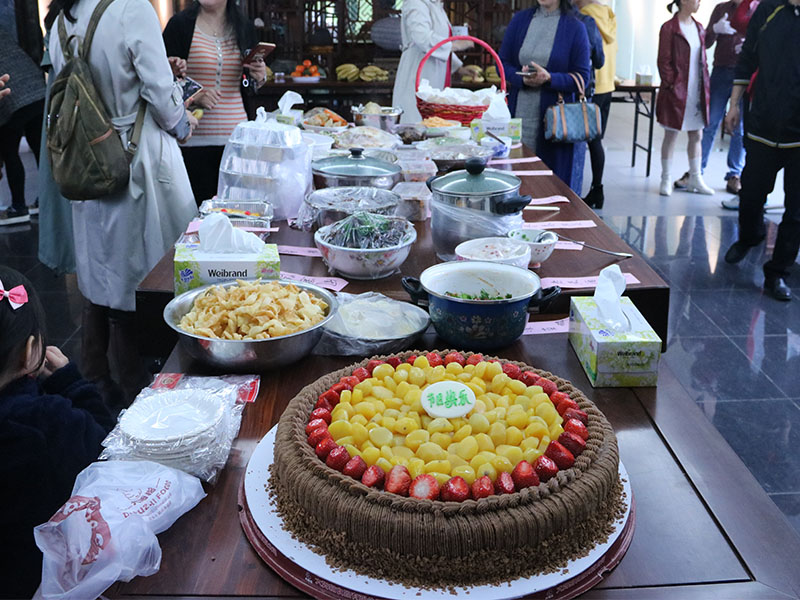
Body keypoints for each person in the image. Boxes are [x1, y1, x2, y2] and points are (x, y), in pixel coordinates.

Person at [48, 0, 198, 407]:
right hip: (136, 156)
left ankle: (97, 378)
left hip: (87, 155)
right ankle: (140, 389)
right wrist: (183, 121)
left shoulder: (62, 18)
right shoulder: (133, 9)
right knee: (144, 277)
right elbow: (162, 99)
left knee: (101, 274)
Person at [0, 266, 115, 598]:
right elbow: (107, 453)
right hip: (39, 580)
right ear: (31, 350)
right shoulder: (46, 419)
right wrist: (71, 383)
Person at [723, 0, 800, 301]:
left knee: (796, 211)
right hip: (763, 124)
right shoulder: (768, 10)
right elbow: (746, 60)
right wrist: (733, 104)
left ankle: (777, 273)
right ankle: (750, 235)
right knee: (751, 195)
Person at [163, 0, 267, 203]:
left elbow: (247, 85)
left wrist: (258, 77)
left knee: (234, 211)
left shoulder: (243, 27)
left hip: (237, 141)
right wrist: (195, 96)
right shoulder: (180, 25)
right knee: (196, 212)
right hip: (192, 141)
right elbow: (161, 81)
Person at [499, 0, 591, 188]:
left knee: (549, 185)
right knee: (515, 177)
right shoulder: (520, 20)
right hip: (519, 114)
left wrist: (550, 78)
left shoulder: (575, 27)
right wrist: (521, 78)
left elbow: (582, 77)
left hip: (555, 122)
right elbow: (502, 63)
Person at [673, 0, 746, 197]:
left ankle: (735, 174)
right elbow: (705, 42)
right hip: (721, 71)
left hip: (743, 73)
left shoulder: (756, 9)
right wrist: (714, 29)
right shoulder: (721, 9)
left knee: (739, 127)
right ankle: (696, 172)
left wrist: (749, 47)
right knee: (710, 122)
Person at [656, 0, 712, 197]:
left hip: (696, 89)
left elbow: (702, 59)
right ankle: (666, 178)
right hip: (677, 91)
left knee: (697, 135)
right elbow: (664, 61)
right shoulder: (669, 28)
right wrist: (672, 84)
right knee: (671, 134)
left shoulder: (699, 27)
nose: (699, 2)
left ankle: (695, 177)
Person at [574, 0, 617, 209]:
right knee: (596, 140)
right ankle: (597, 188)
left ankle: (586, 190)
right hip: (608, 86)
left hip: (590, 87)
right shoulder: (610, 17)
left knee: (583, 140)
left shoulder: (584, 18)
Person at [393, 0, 463, 124]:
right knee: (415, 120)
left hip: (434, 74)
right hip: (418, 71)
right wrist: (456, 45)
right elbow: (422, 38)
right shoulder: (415, 2)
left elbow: (439, 43)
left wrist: (458, 67)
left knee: (434, 123)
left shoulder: (436, 5)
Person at [0, 35, 45, 226]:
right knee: (40, 150)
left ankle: (18, 206)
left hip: (12, 99)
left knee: (10, 153)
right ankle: (45, 200)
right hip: (37, 90)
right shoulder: (5, 34)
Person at [569, 4, 604, 197]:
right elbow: (599, 60)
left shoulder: (541, 21)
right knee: (580, 147)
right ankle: (575, 196)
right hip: (580, 93)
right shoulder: (586, 22)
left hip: (550, 93)